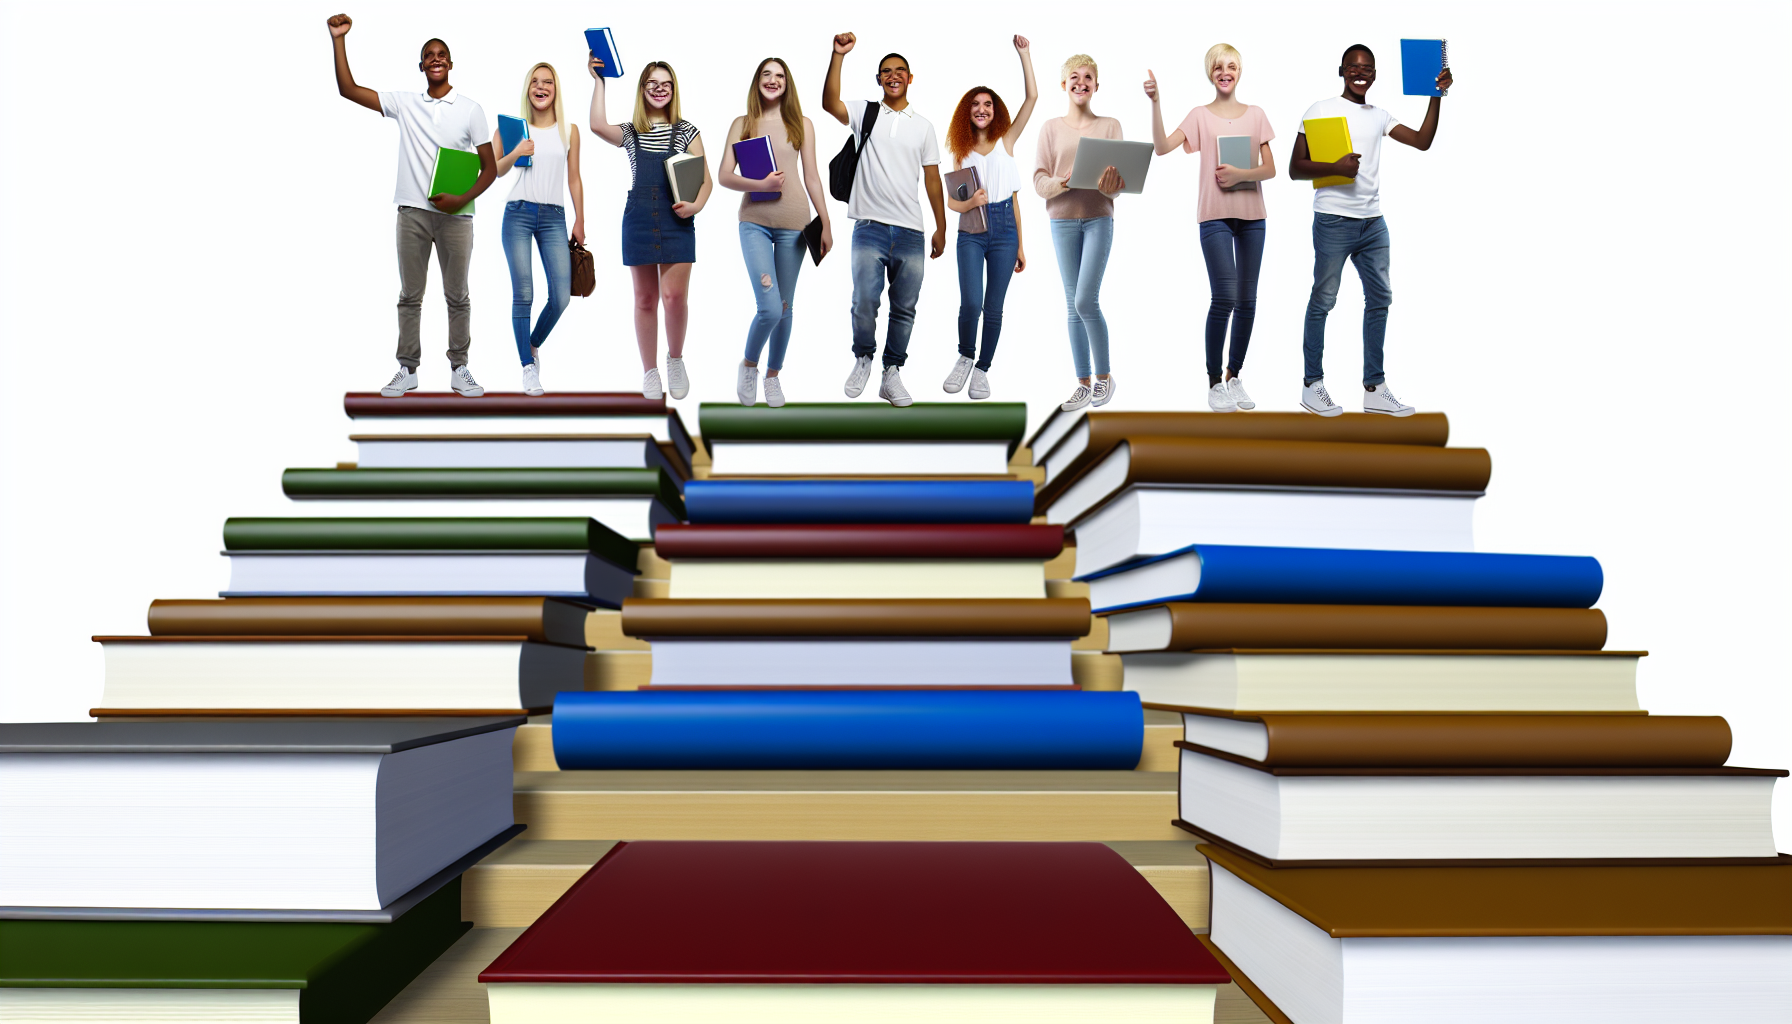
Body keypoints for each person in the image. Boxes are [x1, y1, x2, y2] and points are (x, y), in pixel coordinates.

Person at [327, 14, 496, 398]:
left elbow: (488, 170)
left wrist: (461, 198)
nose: (435, 59)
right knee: (410, 296)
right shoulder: (405, 104)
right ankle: (407, 368)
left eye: (442, 55)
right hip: (412, 215)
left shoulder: (470, 109)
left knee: (458, 295)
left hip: (457, 217)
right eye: (428, 56)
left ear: (450, 64)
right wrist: (338, 40)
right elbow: (348, 89)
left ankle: (460, 367)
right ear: (421, 66)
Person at [1289, 44, 1452, 417]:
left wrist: (1436, 95)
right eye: (1353, 67)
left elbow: (1422, 142)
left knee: (1380, 299)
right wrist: (1335, 166)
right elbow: (1296, 168)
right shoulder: (1321, 110)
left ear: (1375, 74)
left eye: (1367, 68)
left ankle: (1374, 388)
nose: (1360, 73)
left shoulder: (1380, 116)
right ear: (1342, 70)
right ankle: (1312, 385)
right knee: (1323, 300)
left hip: (1373, 224)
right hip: (1332, 220)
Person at [1146, 46, 1276, 413]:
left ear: (1239, 72)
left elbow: (1270, 169)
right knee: (1225, 297)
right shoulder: (1200, 116)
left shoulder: (1256, 115)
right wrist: (1156, 103)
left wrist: (1241, 175)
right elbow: (1161, 148)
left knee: (1248, 301)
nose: (1225, 72)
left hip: (1253, 216)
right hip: (1214, 216)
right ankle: (1214, 382)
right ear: (1210, 73)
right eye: (1218, 67)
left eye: (1232, 66)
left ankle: (1235, 375)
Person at [822, 33, 948, 408]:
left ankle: (891, 372)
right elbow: (829, 103)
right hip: (869, 227)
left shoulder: (923, 126)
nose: (893, 76)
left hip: (911, 230)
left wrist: (941, 226)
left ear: (911, 79)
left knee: (905, 308)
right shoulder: (866, 113)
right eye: (886, 72)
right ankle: (863, 357)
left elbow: (931, 177)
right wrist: (837, 55)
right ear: (879, 80)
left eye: (900, 71)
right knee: (864, 300)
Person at [588, 56, 711, 400]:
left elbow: (705, 181)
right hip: (639, 218)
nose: (659, 89)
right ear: (642, 89)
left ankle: (674, 359)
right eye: (652, 83)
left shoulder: (687, 130)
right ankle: (650, 371)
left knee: (674, 298)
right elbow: (597, 125)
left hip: (677, 219)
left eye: (666, 84)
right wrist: (599, 81)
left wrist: (695, 206)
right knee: (645, 299)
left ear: (674, 90)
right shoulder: (631, 132)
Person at [717, 58, 834, 408]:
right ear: (757, 82)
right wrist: (760, 183)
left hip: (794, 224)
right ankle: (749, 365)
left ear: (787, 83)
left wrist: (825, 221)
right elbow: (724, 175)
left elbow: (811, 176)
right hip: (753, 221)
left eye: (779, 75)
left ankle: (773, 376)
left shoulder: (802, 124)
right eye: (766, 74)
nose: (773, 80)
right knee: (768, 306)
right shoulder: (743, 123)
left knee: (784, 306)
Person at [941, 36, 1038, 401]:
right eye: (975, 105)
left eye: (988, 105)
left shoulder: (1007, 142)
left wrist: (1024, 55)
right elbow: (952, 202)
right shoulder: (960, 151)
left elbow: (1032, 100)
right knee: (971, 302)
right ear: (967, 112)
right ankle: (965, 356)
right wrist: (970, 203)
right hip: (970, 230)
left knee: (994, 307)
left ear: (996, 111)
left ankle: (982, 368)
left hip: (1004, 230)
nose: (982, 109)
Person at [1035, 54, 1126, 412]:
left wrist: (1111, 185)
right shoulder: (1050, 128)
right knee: (1072, 305)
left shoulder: (1110, 125)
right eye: (1074, 77)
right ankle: (1083, 384)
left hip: (1098, 217)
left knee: (1085, 299)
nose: (1081, 82)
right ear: (1063, 85)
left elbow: (1119, 185)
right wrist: (1064, 182)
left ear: (1096, 86)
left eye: (1088, 77)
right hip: (1061, 219)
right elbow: (1040, 181)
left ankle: (1105, 378)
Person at [492, 63, 584, 397]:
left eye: (547, 82)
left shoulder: (568, 130)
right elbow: (494, 171)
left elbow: (574, 178)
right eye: (534, 81)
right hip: (517, 213)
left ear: (555, 89)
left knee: (561, 296)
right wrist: (517, 151)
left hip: (554, 218)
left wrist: (580, 219)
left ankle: (530, 345)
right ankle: (527, 368)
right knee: (524, 294)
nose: (541, 87)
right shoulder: (512, 128)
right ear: (527, 89)